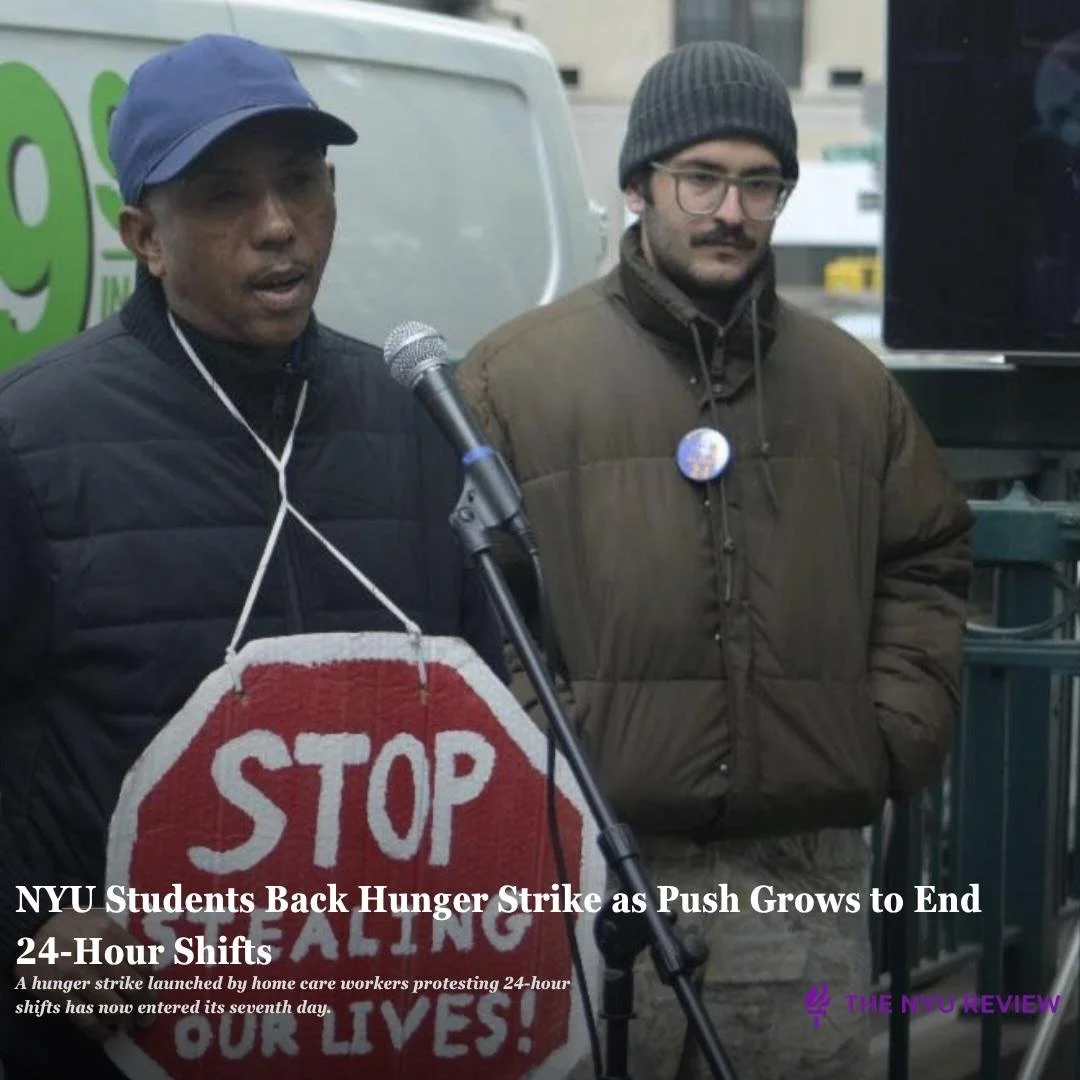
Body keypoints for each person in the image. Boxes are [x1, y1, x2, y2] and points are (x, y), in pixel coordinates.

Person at [458, 40, 974, 1080]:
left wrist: (885, 738)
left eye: (759, 183)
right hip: (589, 872)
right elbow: (469, 598)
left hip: (803, 886)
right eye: (701, 177)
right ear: (640, 184)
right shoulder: (515, 379)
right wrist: (541, 743)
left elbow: (928, 557)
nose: (730, 211)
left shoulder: (850, 385)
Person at [0, 34, 503, 1079]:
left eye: (302, 184)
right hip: (119, 1039)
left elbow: (500, 702)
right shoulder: (32, 441)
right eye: (226, 195)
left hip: (371, 1030)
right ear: (144, 235)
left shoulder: (414, 423)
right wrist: (26, 935)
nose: (279, 227)